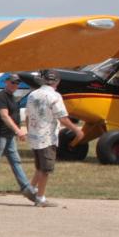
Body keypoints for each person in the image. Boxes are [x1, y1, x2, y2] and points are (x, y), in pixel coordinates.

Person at [24, 69, 84, 207]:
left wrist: (29, 131)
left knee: (40, 166)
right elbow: (62, 117)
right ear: (57, 82)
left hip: (34, 135)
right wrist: (76, 130)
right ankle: (40, 198)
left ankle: (31, 189)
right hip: (47, 136)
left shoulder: (33, 94)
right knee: (46, 169)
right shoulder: (55, 96)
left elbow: (27, 115)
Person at [0, 74, 38, 203]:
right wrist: (18, 130)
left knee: (16, 161)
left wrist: (17, 131)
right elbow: (4, 116)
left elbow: (14, 115)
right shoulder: (1, 96)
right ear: (6, 82)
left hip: (9, 135)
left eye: (17, 83)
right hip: (0, 135)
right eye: (12, 82)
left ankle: (26, 188)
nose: (15, 85)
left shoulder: (12, 97)